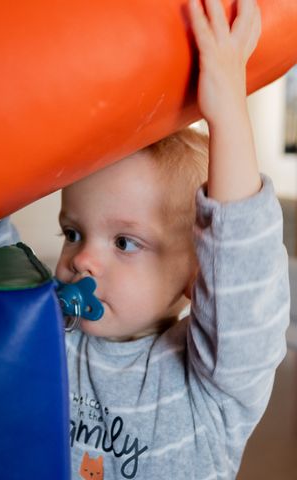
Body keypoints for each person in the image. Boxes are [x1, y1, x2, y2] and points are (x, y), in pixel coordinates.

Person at [57, 0, 290, 478]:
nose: (82, 260)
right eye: (73, 232)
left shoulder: (213, 382)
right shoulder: (47, 336)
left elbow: (240, 277)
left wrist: (228, 114)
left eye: (124, 242)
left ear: (196, 276)